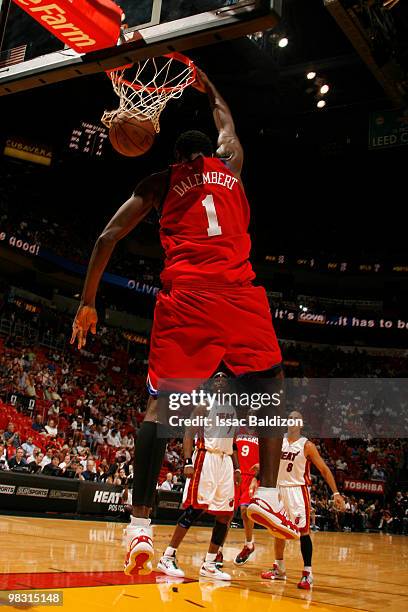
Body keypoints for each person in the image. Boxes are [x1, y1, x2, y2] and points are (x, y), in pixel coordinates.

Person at [71, 67, 299, 576]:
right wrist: (211, 84)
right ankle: (264, 495)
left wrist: (88, 302)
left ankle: (140, 527)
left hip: (188, 300)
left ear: (176, 156)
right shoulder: (233, 167)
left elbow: (108, 237)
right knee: (269, 385)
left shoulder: (159, 181)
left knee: (160, 409)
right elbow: (229, 125)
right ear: (211, 154)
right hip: (240, 295)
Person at [157, 372, 241, 580]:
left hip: (225, 462)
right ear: (212, 385)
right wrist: (188, 461)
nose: (220, 381)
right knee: (195, 508)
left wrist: (237, 468)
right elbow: (188, 433)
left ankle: (210, 564)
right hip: (206, 458)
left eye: (224, 379)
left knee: (226, 514)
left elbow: (233, 443)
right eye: (217, 379)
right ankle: (167, 556)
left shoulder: (232, 410)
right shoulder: (204, 405)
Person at [259, 412, 345, 590]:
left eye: (295, 419)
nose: (291, 422)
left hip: (297, 491)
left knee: (303, 532)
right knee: (278, 529)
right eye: (289, 419)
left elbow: (323, 469)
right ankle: (279, 568)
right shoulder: (278, 440)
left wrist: (336, 493)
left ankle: (308, 573)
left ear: (301, 424)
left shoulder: (307, 445)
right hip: (278, 489)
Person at [233, 431, 259, 565]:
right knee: (226, 513)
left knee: (245, 510)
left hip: (251, 476)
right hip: (236, 474)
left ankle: (249, 544)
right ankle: (217, 551)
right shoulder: (236, 430)